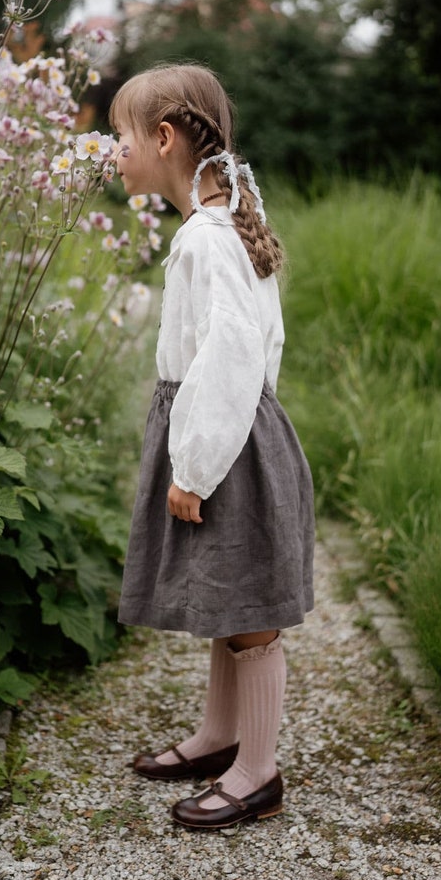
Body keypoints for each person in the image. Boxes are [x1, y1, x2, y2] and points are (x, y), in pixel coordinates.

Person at [109, 63, 314, 831]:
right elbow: (266, 342)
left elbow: (232, 356)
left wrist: (194, 464)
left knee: (250, 613)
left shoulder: (206, 236)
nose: (114, 150)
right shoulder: (222, 225)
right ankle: (220, 736)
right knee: (229, 598)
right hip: (230, 431)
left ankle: (257, 772)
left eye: (121, 136)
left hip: (222, 446)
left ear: (163, 139)